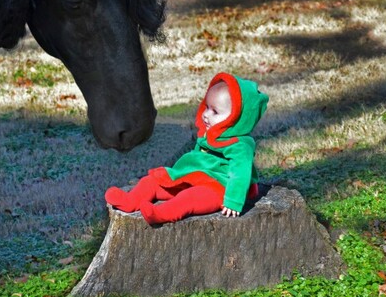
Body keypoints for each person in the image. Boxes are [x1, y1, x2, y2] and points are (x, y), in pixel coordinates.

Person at [105, 72, 268, 224]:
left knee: (189, 198)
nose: (206, 115)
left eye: (215, 111)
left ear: (236, 119)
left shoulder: (240, 145)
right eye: (207, 107)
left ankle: (161, 214)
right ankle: (130, 200)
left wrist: (233, 200)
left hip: (220, 187)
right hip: (196, 176)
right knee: (153, 181)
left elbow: (241, 173)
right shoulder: (209, 133)